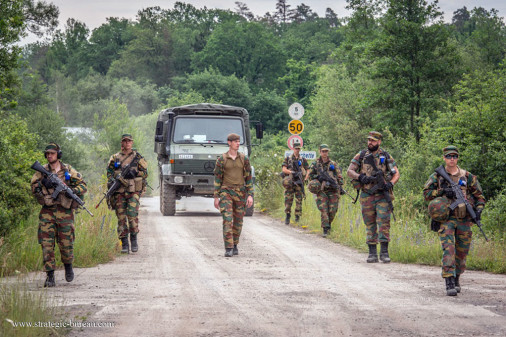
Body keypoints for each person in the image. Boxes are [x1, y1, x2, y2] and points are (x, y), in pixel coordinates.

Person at [423, 145, 485, 296]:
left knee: (462, 252)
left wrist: (478, 210)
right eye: (449, 156)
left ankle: (457, 277)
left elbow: (480, 196)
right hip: (447, 219)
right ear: (444, 158)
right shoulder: (437, 176)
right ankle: (449, 281)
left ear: (458, 158)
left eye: (454, 156)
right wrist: (443, 191)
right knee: (449, 249)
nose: (452, 159)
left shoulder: (467, 176)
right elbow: (427, 193)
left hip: (464, 219)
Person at [31, 143, 87, 287]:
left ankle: (68, 267)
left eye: (52, 153)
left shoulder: (68, 170)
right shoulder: (41, 171)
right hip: (47, 212)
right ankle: (50, 276)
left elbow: (83, 186)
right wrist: (43, 183)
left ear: (58, 154)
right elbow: (33, 186)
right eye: (47, 153)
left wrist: (69, 189)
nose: (49, 156)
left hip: (64, 211)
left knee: (66, 243)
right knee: (46, 244)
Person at [346, 131, 400, 263]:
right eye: (369, 140)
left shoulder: (386, 156)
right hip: (367, 195)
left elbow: (396, 173)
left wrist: (390, 183)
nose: (370, 142)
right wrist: (361, 177)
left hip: (382, 195)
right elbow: (349, 171)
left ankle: (384, 253)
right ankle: (372, 253)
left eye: (373, 140)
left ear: (379, 142)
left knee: (384, 223)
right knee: (369, 223)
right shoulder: (362, 155)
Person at [213, 133, 254, 257]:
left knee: (238, 221)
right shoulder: (221, 159)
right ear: (229, 142)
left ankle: (235, 244)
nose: (237, 143)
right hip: (226, 192)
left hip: (241, 193)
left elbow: (248, 178)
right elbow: (217, 179)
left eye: (238, 141)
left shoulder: (244, 159)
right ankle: (228, 247)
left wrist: (250, 195)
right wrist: (216, 196)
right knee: (227, 219)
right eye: (235, 141)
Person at [107, 134, 148, 254]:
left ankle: (134, 239)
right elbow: (109, 173)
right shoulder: (115, 158)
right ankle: (124, 243)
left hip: (133, 191)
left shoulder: (138, 157)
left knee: (132, 215)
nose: (127, 143)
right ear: (121, 143)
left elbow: (145, 173)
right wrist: (116, 176)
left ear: (132, 143)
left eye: (129, 141)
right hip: (119, 191)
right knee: (121, 218)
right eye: (124, 141)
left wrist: (135, 173)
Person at [308, 144, 343, 237]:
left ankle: (329, 225)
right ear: (320, 152)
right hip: (321, 190)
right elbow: (310, 176)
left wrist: (340, 186)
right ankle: (325, 229)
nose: (325, 153)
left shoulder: (333, 164)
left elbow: (339, 176)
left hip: (332, 190)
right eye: (323, 151)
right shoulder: (315, 164)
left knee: (332, 210)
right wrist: (318, 177)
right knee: (324, 209)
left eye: (326, 151)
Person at [281, 141, 309, 224]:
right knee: (288, 199)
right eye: (296, 148)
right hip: (290, 181)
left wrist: (306, 178)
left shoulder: (303, 159)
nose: (297, 150)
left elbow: (308, 169)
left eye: (299, 148)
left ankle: (297, 217)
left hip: (299, 182)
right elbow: (284, 169)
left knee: (299, 199)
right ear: (293, 148)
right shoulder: (288, 158)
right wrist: (292, 172)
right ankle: (288, 215)